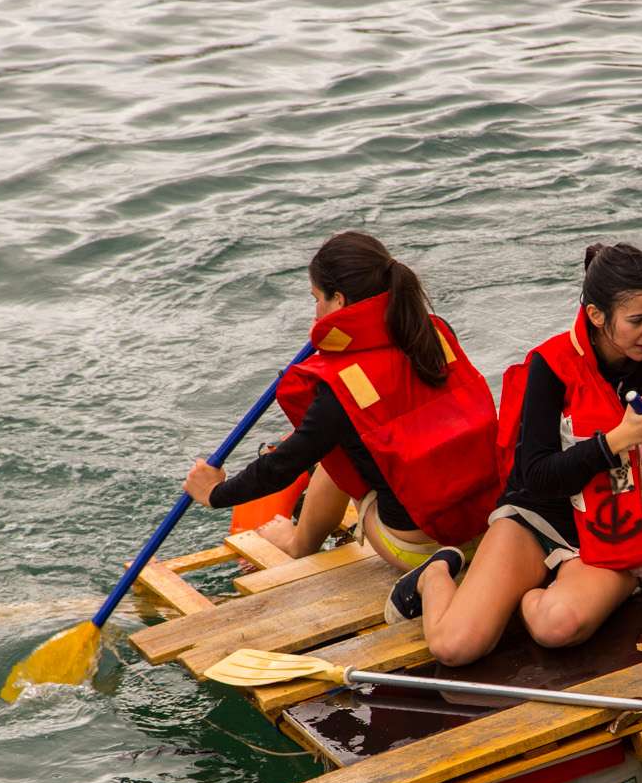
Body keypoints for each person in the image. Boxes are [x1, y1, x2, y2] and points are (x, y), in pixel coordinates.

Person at [385, 242, 642, 664]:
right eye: (637, 320)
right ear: (596, 315)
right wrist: (615, 441)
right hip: (540, 517)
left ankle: (534, 592)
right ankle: (436, 574)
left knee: (555, 627)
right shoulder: (551, 366)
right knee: (455, 647)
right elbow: (536, 475)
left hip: (614, 534)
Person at [183, 232, 501, 572]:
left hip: (422, 550)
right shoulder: (435, 335)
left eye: (316, 298)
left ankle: (298, 543)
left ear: (338, 300)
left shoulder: (341, 386)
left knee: (334, 452)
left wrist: (214, 493)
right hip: (492, 528)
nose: (315, 310)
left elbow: (282, 466)